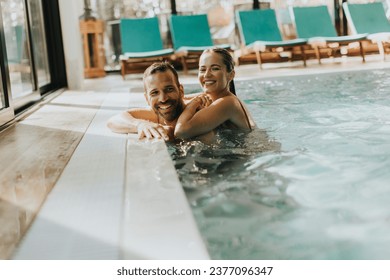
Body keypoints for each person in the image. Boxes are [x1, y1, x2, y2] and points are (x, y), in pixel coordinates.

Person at [107, 61, 211, 141]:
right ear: (147, 99)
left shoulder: (198, 108)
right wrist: (139, 125)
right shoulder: (155, 115)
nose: (163, 99)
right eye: (154, 93)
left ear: (181, 91)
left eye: (169, 89)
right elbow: (113, 121)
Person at [174, 48, 255, 140]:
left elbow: (181, 131)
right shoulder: (209, 97)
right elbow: (173, 102)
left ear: (231, 75)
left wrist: (192, 105)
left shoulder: (229, 103)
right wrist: (153, 124)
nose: (206, 75)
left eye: (215, 68)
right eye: (202, 70)